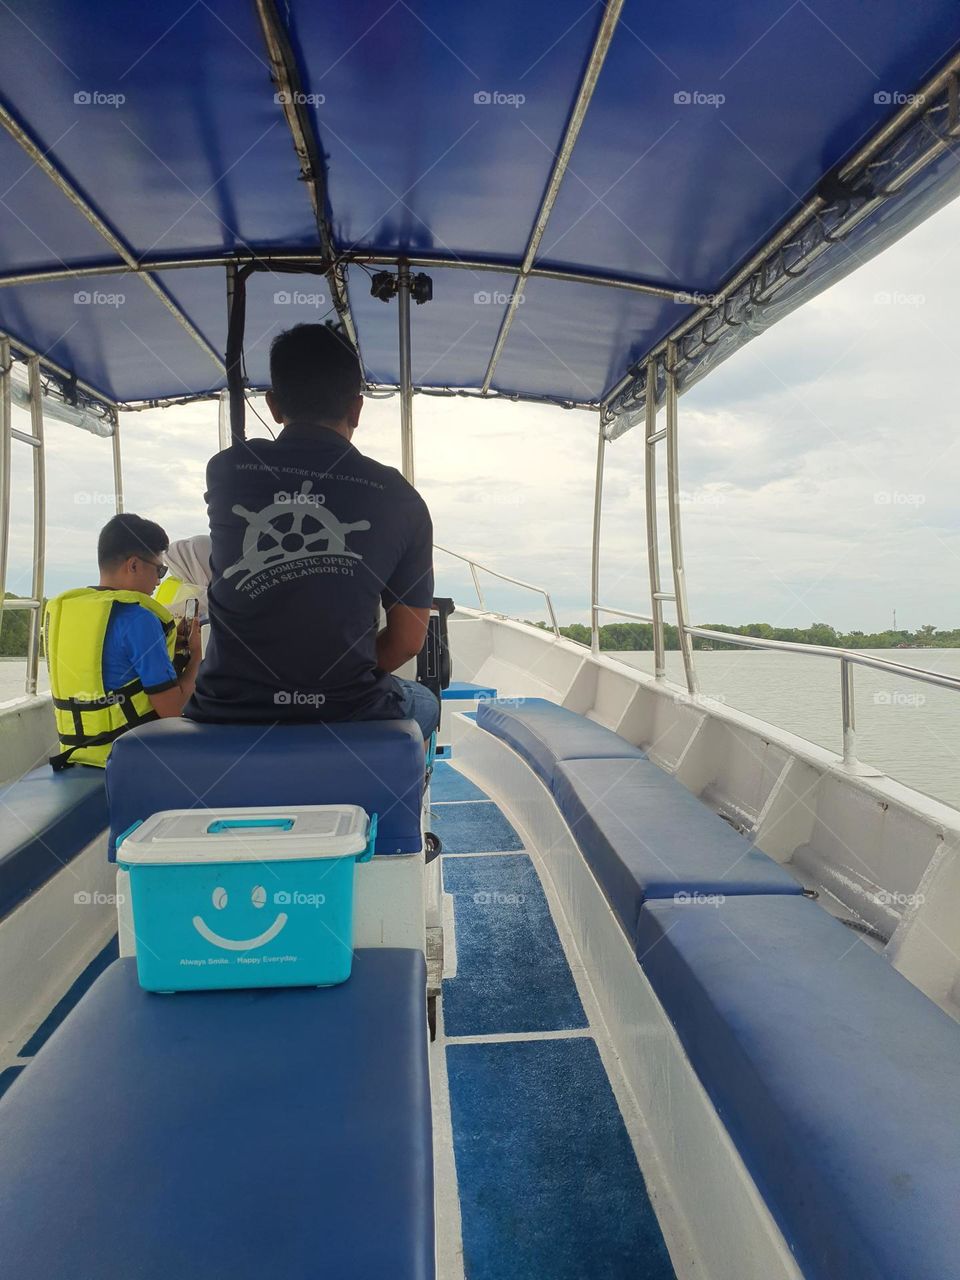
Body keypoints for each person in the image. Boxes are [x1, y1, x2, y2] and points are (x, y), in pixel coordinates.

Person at [186, 323, 439, 739]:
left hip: (224, 712)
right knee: (424, 702)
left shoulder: (227, 469)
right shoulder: (401, 497)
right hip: (346, 712)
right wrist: (334, 678)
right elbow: (408, 643)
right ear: (356, 409)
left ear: (272, 405)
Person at [44, 514, 201, 769]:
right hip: (133, 761)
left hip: (77, 755)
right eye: (159, 569)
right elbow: (173, 711)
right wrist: (195, 657)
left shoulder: (67, 611)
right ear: (134, 565)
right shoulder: (139, 618)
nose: (159, 580)